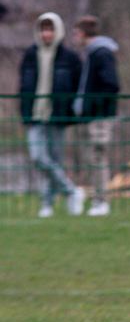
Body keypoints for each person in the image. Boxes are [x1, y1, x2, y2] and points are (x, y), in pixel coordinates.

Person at [19, 12, 85, 218]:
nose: (47, 34)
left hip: (58, 115)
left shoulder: (70, 58)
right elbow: (23, 85)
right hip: (36, 114)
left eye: (50, 29)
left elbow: (78, 87)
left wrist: (71, 111)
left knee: (54, 159)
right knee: (38, 157)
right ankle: (71, 191)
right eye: (43, 29)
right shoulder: (30, 54)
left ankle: (46, 205)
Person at [72, 15, 120, 217]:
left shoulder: (101, 53)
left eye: (76, 33)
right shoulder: (93, 53)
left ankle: (101, 202)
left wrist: (94, 105)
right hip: (92, 116)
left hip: (100, 116)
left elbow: (112, 84)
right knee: (93, 158)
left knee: (98, 157)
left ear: (82, 33)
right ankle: (98, 201)